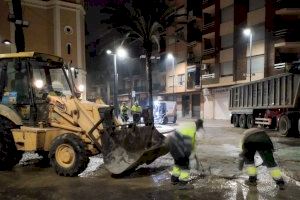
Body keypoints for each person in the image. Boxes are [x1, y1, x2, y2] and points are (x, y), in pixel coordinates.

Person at [168, 119, 203, 185]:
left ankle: (174, 179)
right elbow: (188, 144)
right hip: (179, 147)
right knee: (185, 166)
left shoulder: (189, 125)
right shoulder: (192, 130)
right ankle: (183, 182)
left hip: (172, 145)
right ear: (199, 126)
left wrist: (193, 151)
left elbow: (192, 143)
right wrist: (190, 155)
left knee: (178, 163)